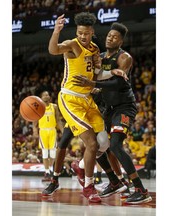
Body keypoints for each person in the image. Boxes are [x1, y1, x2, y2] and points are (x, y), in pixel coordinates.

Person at [73, 22, 152, 204]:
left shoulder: (124, 58)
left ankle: (140, 189)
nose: (110, 38)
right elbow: (96, 76)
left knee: (115, 145)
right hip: (106, 108)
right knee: (97, 145)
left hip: (124, 106)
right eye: (109, 35)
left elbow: (119, 84)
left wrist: (94, 85)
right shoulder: (100, 57)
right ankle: (115, 181)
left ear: (121, 40)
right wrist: (93, 87)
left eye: (115, 37)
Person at [47, 12, 111, 203]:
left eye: (86, 33)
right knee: (90, 143)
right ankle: (88, 186)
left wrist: (108, 68)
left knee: (104, 142)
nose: (82, 36)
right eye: (80, 32)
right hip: (70, 99)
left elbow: (100, 73)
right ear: (77, 31)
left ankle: (80, 165)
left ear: (92, 32)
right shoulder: (72, 44)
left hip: (88, 100)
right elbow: (53, 50)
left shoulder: (94, 49)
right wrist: (56, 31)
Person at [32, 90, 64, 181]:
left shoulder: (54, 106)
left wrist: (62, 131)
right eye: (44, 95)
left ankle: (50, 169)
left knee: (53, 153)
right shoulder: (38, 107)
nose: (47, 96)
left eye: (48, 94)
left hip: (52, 131)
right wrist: (35, 131)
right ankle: (47, 171)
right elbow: (34, 122)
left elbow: (58, 120)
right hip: (43, 131)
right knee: (45, 153)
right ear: (41, 98)